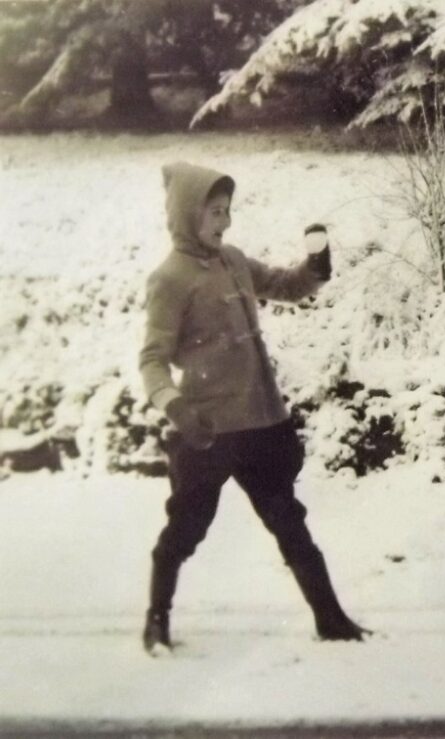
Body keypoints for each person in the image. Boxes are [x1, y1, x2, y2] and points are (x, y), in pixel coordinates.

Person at [139, 161, 368, 653]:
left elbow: (285, 285)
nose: (225, 223)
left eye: (227, 211)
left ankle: (331, 619)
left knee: (289, 521)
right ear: (187, 215)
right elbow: (152, 361)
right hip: (209, 432)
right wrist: (176, 408)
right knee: (187, 528)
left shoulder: (234, 260)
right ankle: (156, 620)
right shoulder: (170, 279)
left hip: (263, 423)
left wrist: (314, 269)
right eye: (214, 212)